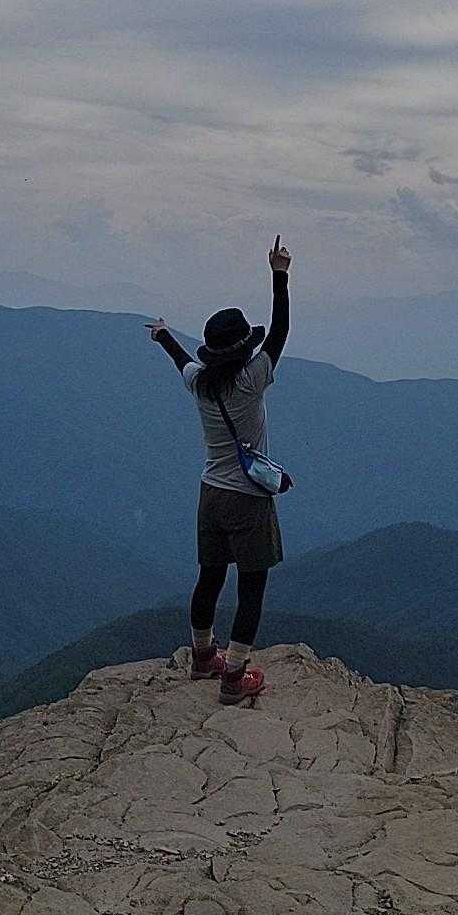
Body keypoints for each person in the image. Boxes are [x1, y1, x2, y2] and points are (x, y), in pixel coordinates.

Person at [144, 238, 291, 705]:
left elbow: (181, 361)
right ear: (244, 348)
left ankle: (203, 656)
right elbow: (280, 332)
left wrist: (163, 334)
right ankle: (234, 676)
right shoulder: (252, 380)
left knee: (210, 576)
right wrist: (280, 274)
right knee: (252, 585)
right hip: (248, 498)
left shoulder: (201, 385)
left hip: (210, 493)